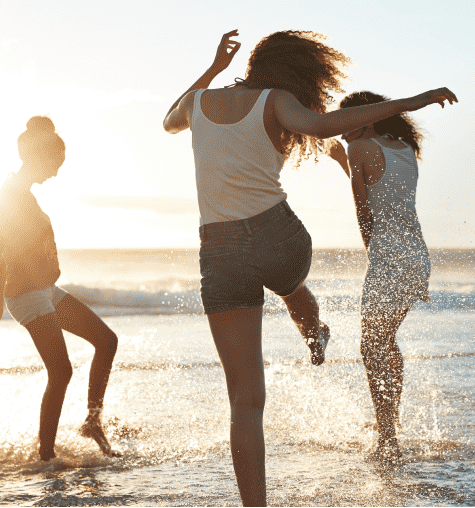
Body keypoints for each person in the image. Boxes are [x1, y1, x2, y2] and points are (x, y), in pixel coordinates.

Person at [163, 30, 457, 506]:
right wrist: (410, 101)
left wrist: (214, 68)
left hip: (219, 251)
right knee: (290, 283)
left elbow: (168, 121)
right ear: (300, 72)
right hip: (280, 236)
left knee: (244, 401)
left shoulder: (197, 102)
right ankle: (314, 329)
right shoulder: (277, 101)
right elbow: (324, 125)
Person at [0, 116, 120, 462]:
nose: (56, 172)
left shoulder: (22, 192)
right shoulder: (11, 194)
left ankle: (92, 422)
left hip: (45, 290)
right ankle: (46, 457)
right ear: (39, 157)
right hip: (25, 293)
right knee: (61, 371)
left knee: (106, 340)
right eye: (55, 164)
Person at [328, 90, 443, 460]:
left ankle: (388, 438)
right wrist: (341, 163)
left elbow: (364, 211)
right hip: (416, 255)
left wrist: (373, 256)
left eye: (347, 124)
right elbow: (382, 190)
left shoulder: (357, 150)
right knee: (385, 341)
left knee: (371, 346)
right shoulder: (405, 150)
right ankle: (390, 424)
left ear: (369, 119)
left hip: (389, 256)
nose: (341, 131)